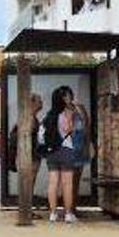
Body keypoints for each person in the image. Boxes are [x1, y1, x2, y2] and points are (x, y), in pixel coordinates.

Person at [42, 86, 78, 224]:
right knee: (67, 184)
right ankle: (68, 214)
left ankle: (52, 213)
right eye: (69, 96)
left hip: (52, 152)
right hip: (65, 150)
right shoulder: (66, 113)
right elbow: (67, 129)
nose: (71, 98)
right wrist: (71, 115)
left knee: (52, 183)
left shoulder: (49, 114)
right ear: (64, 98)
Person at [71, 98, 92, 211]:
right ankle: (70, 208)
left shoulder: (79, 117)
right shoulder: (63, 117)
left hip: (79, 151)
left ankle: (72, 207)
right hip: (70, 152)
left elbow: (86, 130)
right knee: (70, 181)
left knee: (75, 181)